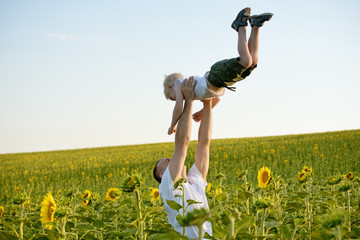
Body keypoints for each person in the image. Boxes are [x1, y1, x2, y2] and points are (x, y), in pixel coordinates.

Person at [163, 7, 273, 135]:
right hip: (222, 82)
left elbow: (178, 108)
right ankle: (256, 25)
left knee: (246, 61)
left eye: (172, 98)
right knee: (252, 62)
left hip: (215, 76)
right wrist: (203, 112)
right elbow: (217, 99)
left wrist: (172, 125)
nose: (177, 99)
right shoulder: (195, 93)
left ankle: (240, 26)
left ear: (171, 86)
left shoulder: (179, 84)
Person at [153, 77, 213, 238]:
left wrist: (207, 104)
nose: (170, 159)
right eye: (166, 161)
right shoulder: (168, 187)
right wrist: (189, 100)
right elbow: (182, 144)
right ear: (162, 175)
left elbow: (204, 143)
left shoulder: (195, 182)